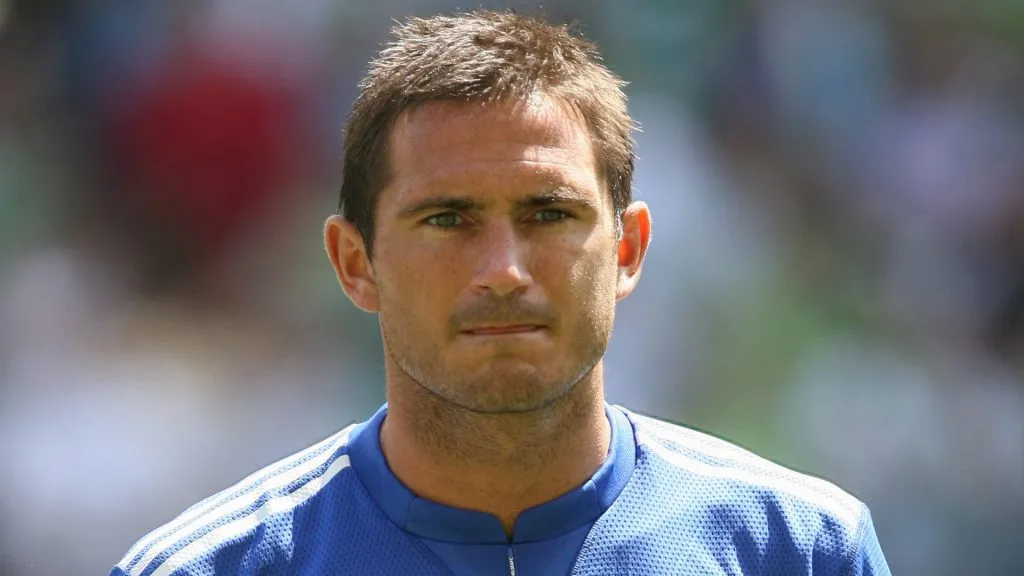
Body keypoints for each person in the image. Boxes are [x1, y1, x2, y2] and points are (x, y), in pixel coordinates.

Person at [112, 10, 890, 575]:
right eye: (447, 218)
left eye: (548, 213)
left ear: (627, 249)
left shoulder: (801, 549)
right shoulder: (209, 569)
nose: (504, 270)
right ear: (356, 263)